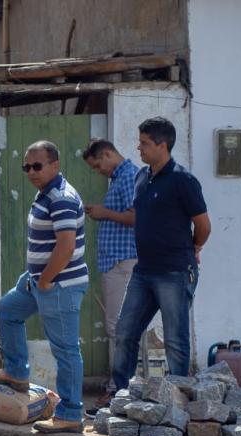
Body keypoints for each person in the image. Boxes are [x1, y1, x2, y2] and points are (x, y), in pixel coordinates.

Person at [0, 141, 89, 434]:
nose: (31, 171)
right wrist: (35, 277)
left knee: (65, 350)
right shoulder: (46, 194)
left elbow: (66, 245)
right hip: (38, 281)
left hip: (58, 285)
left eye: (37, 166)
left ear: (55, 165)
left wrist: (46, 279)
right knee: (7, 310)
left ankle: (71, 412)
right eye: (26, 167)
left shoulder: (61, 198)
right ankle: (17, 373)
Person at [112, 117, 211, 390]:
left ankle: (180, 400)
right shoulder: (141, 177)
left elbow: (203, 225)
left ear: (162, 145)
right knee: (124, 333)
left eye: (144, 143)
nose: (138, 148)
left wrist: (195, 247)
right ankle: (120, 395)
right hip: (143, 271)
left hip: (175, 273)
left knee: (175, 342)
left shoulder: (183, 180)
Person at [82, 138, 139, 409]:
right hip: (115, 262)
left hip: (122, 261)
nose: (98, 171)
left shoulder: (128, 176)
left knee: (119, 327)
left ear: (107, 154)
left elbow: (136, 216)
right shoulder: (120, 177)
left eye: (97, 166)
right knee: (117, 326)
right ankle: (121, 386)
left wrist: (104, 213)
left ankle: (119, 388)